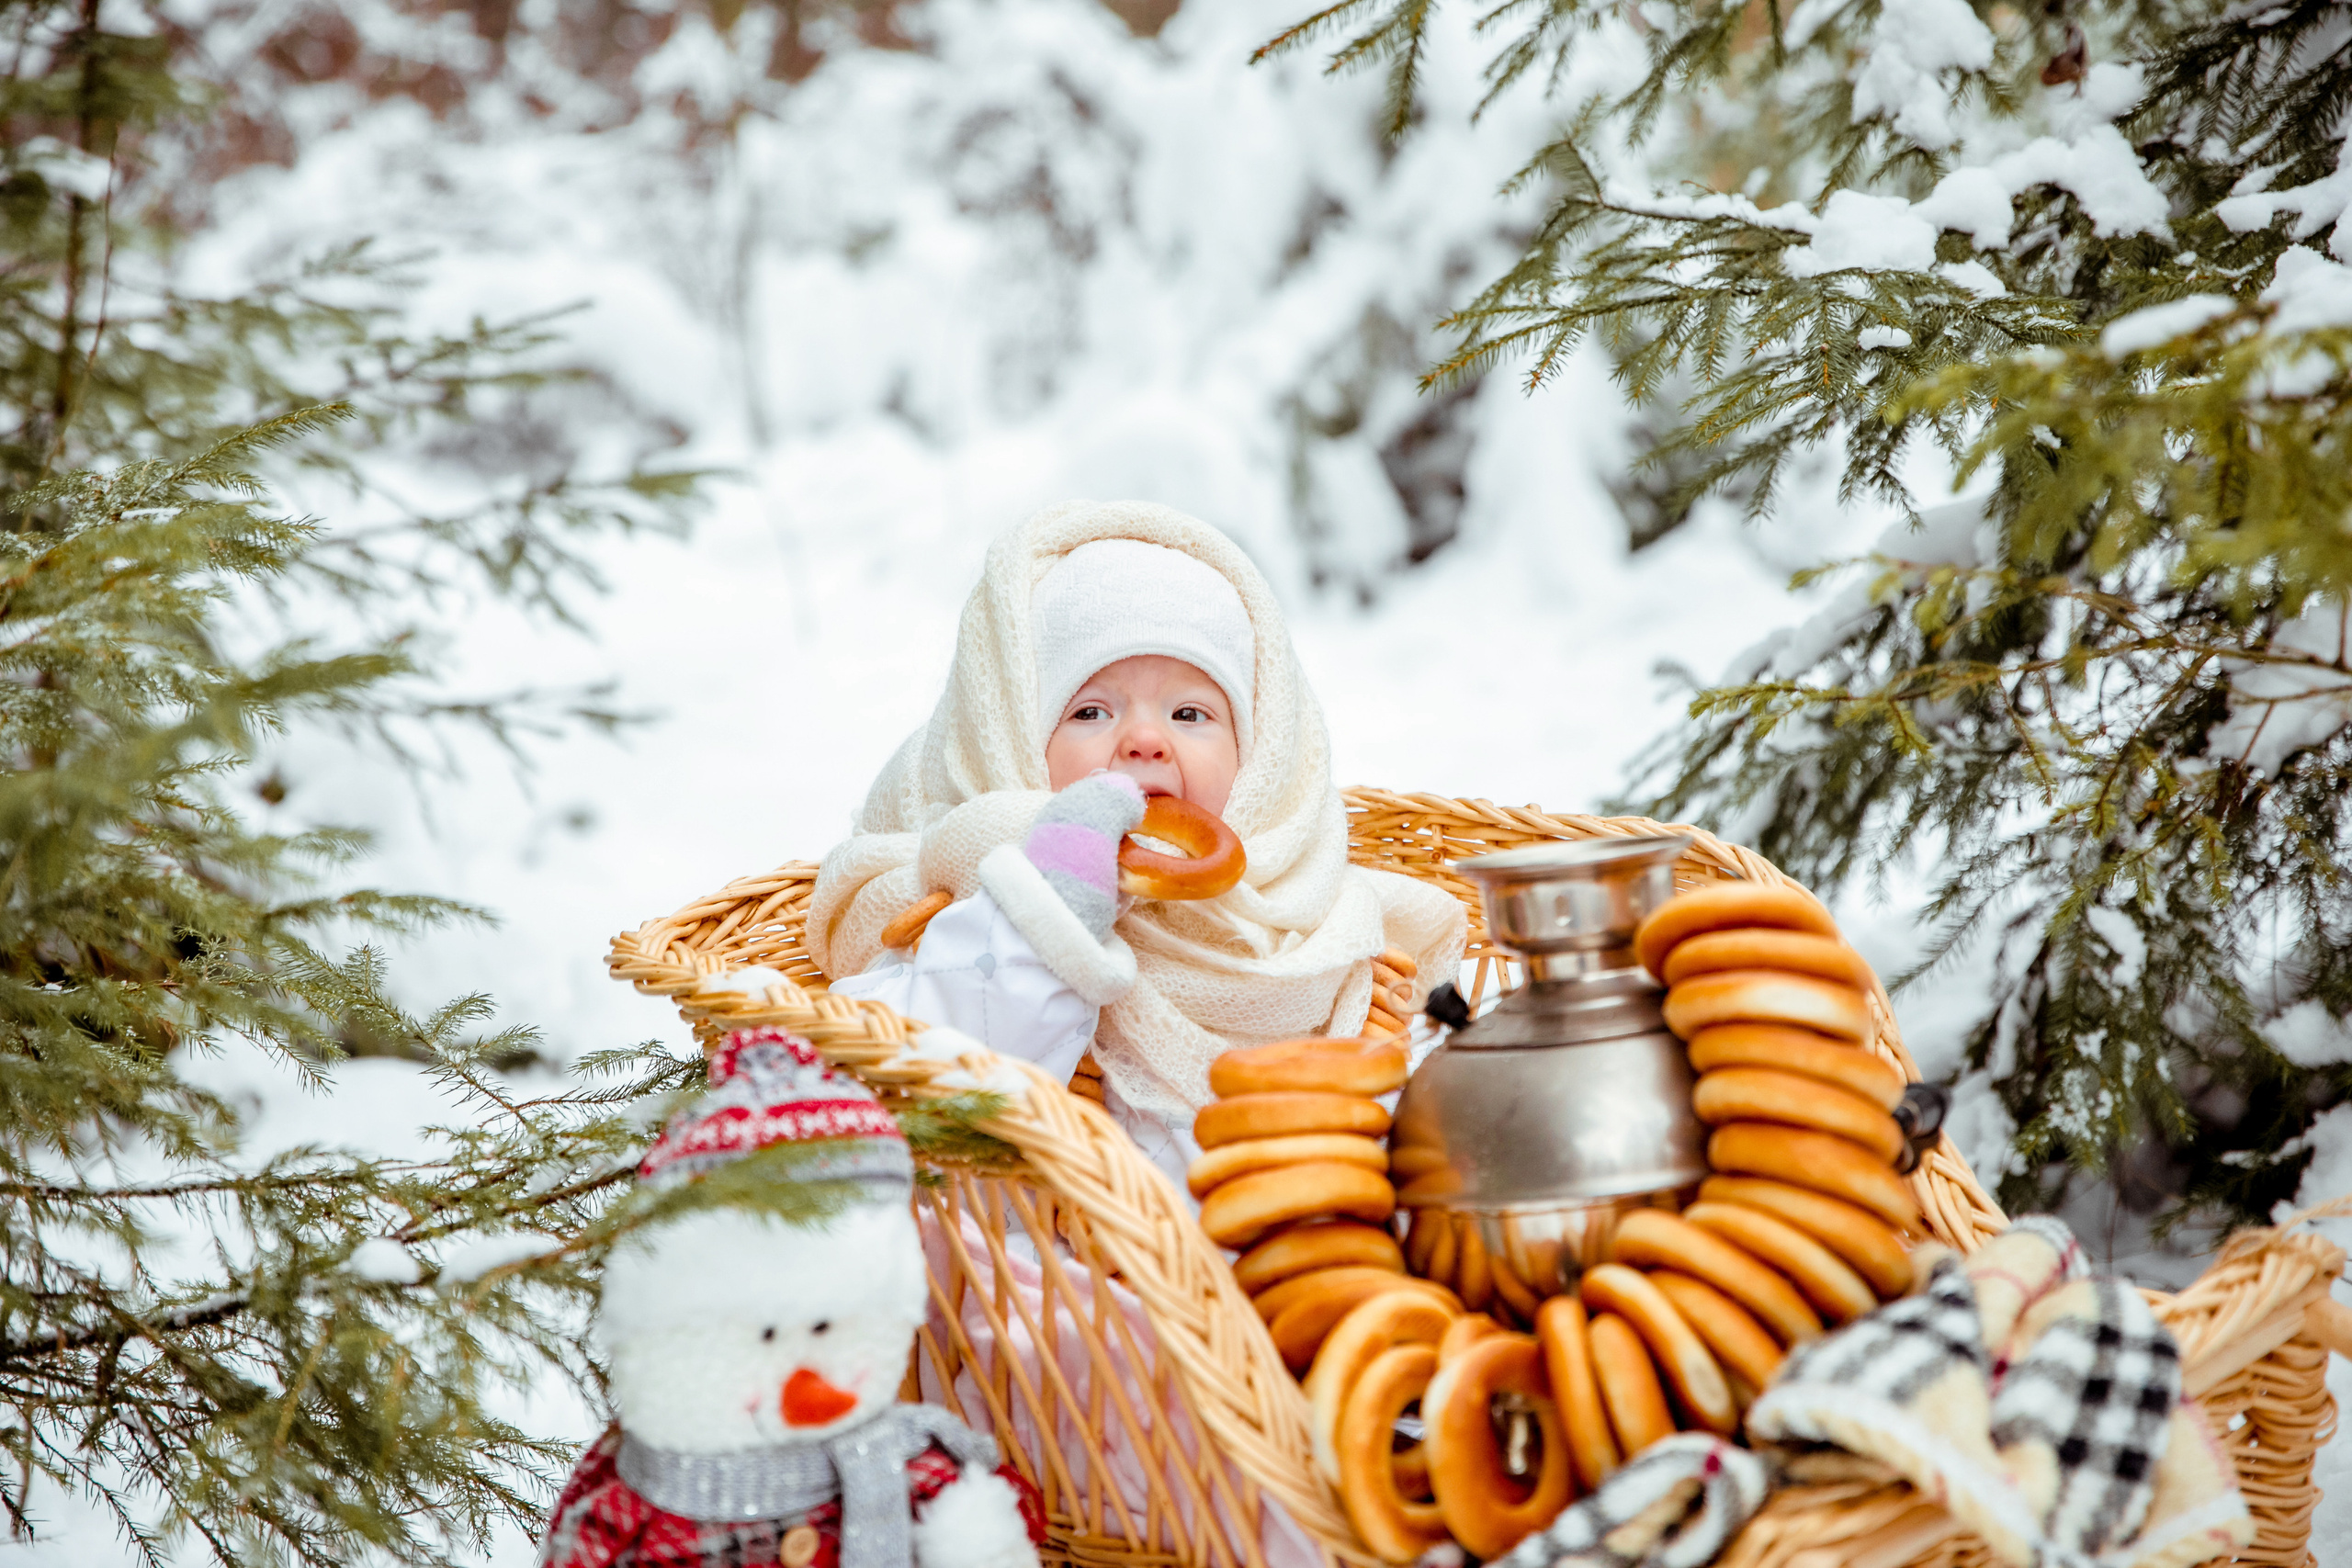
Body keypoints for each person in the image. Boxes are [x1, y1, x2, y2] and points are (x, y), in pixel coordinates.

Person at [812, 500, 1464, 1187]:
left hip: (1300, 1276)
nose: (1145, 739)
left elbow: (1400, 1120)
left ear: (1258, 760)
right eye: (1091, 711)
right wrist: (1048, 909)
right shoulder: (960, 907)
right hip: (1065, 1280)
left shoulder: (1317, 928)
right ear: (1015, 747)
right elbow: (914, 1074)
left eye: (1190, 713)